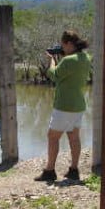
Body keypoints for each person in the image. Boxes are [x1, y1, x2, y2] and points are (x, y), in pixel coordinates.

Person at [34, 30, 92, 182]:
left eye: (63, 45)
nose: (62, 47)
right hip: (78, 104)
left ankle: (50, 171)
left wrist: (52, 60)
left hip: (64, 105)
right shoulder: (86, 57)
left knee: (52, 137)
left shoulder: (68, 61)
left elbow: (53, 74)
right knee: (74, 137)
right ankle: (74, 170)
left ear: (69, 44)